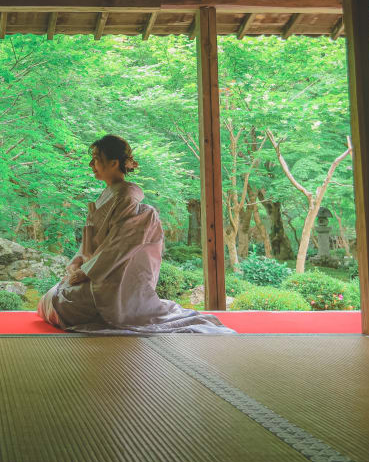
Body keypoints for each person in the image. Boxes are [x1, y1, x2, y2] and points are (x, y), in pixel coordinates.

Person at [38, 135, 233, 335]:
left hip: (110, 279)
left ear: (114, 163)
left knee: (59, 304)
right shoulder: (109, 193)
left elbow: (118, 246)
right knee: (52, 300)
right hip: (98, 270)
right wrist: (77, 262)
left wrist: (88, 271)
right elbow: (95, 241)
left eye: (96, 158)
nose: (91, 164)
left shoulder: (126, 195)